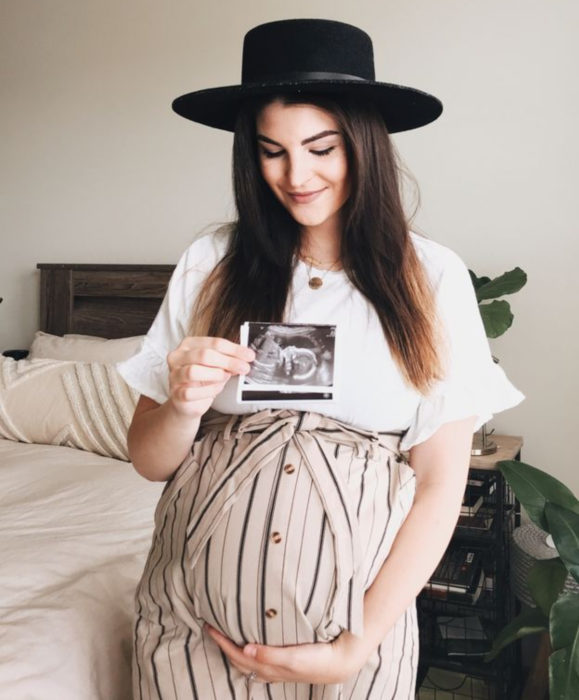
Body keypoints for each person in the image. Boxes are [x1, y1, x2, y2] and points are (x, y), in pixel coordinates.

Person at [117, 18, 524, 700]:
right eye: (270, 151)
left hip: (348, 643)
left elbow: (438, 483)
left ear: (362, 143)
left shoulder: (431, 277)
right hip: (192, 631)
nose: (294, 175)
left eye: (320, 148)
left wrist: (355, 645)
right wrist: (184, 404)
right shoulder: (210, 263)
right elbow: (148, 459)